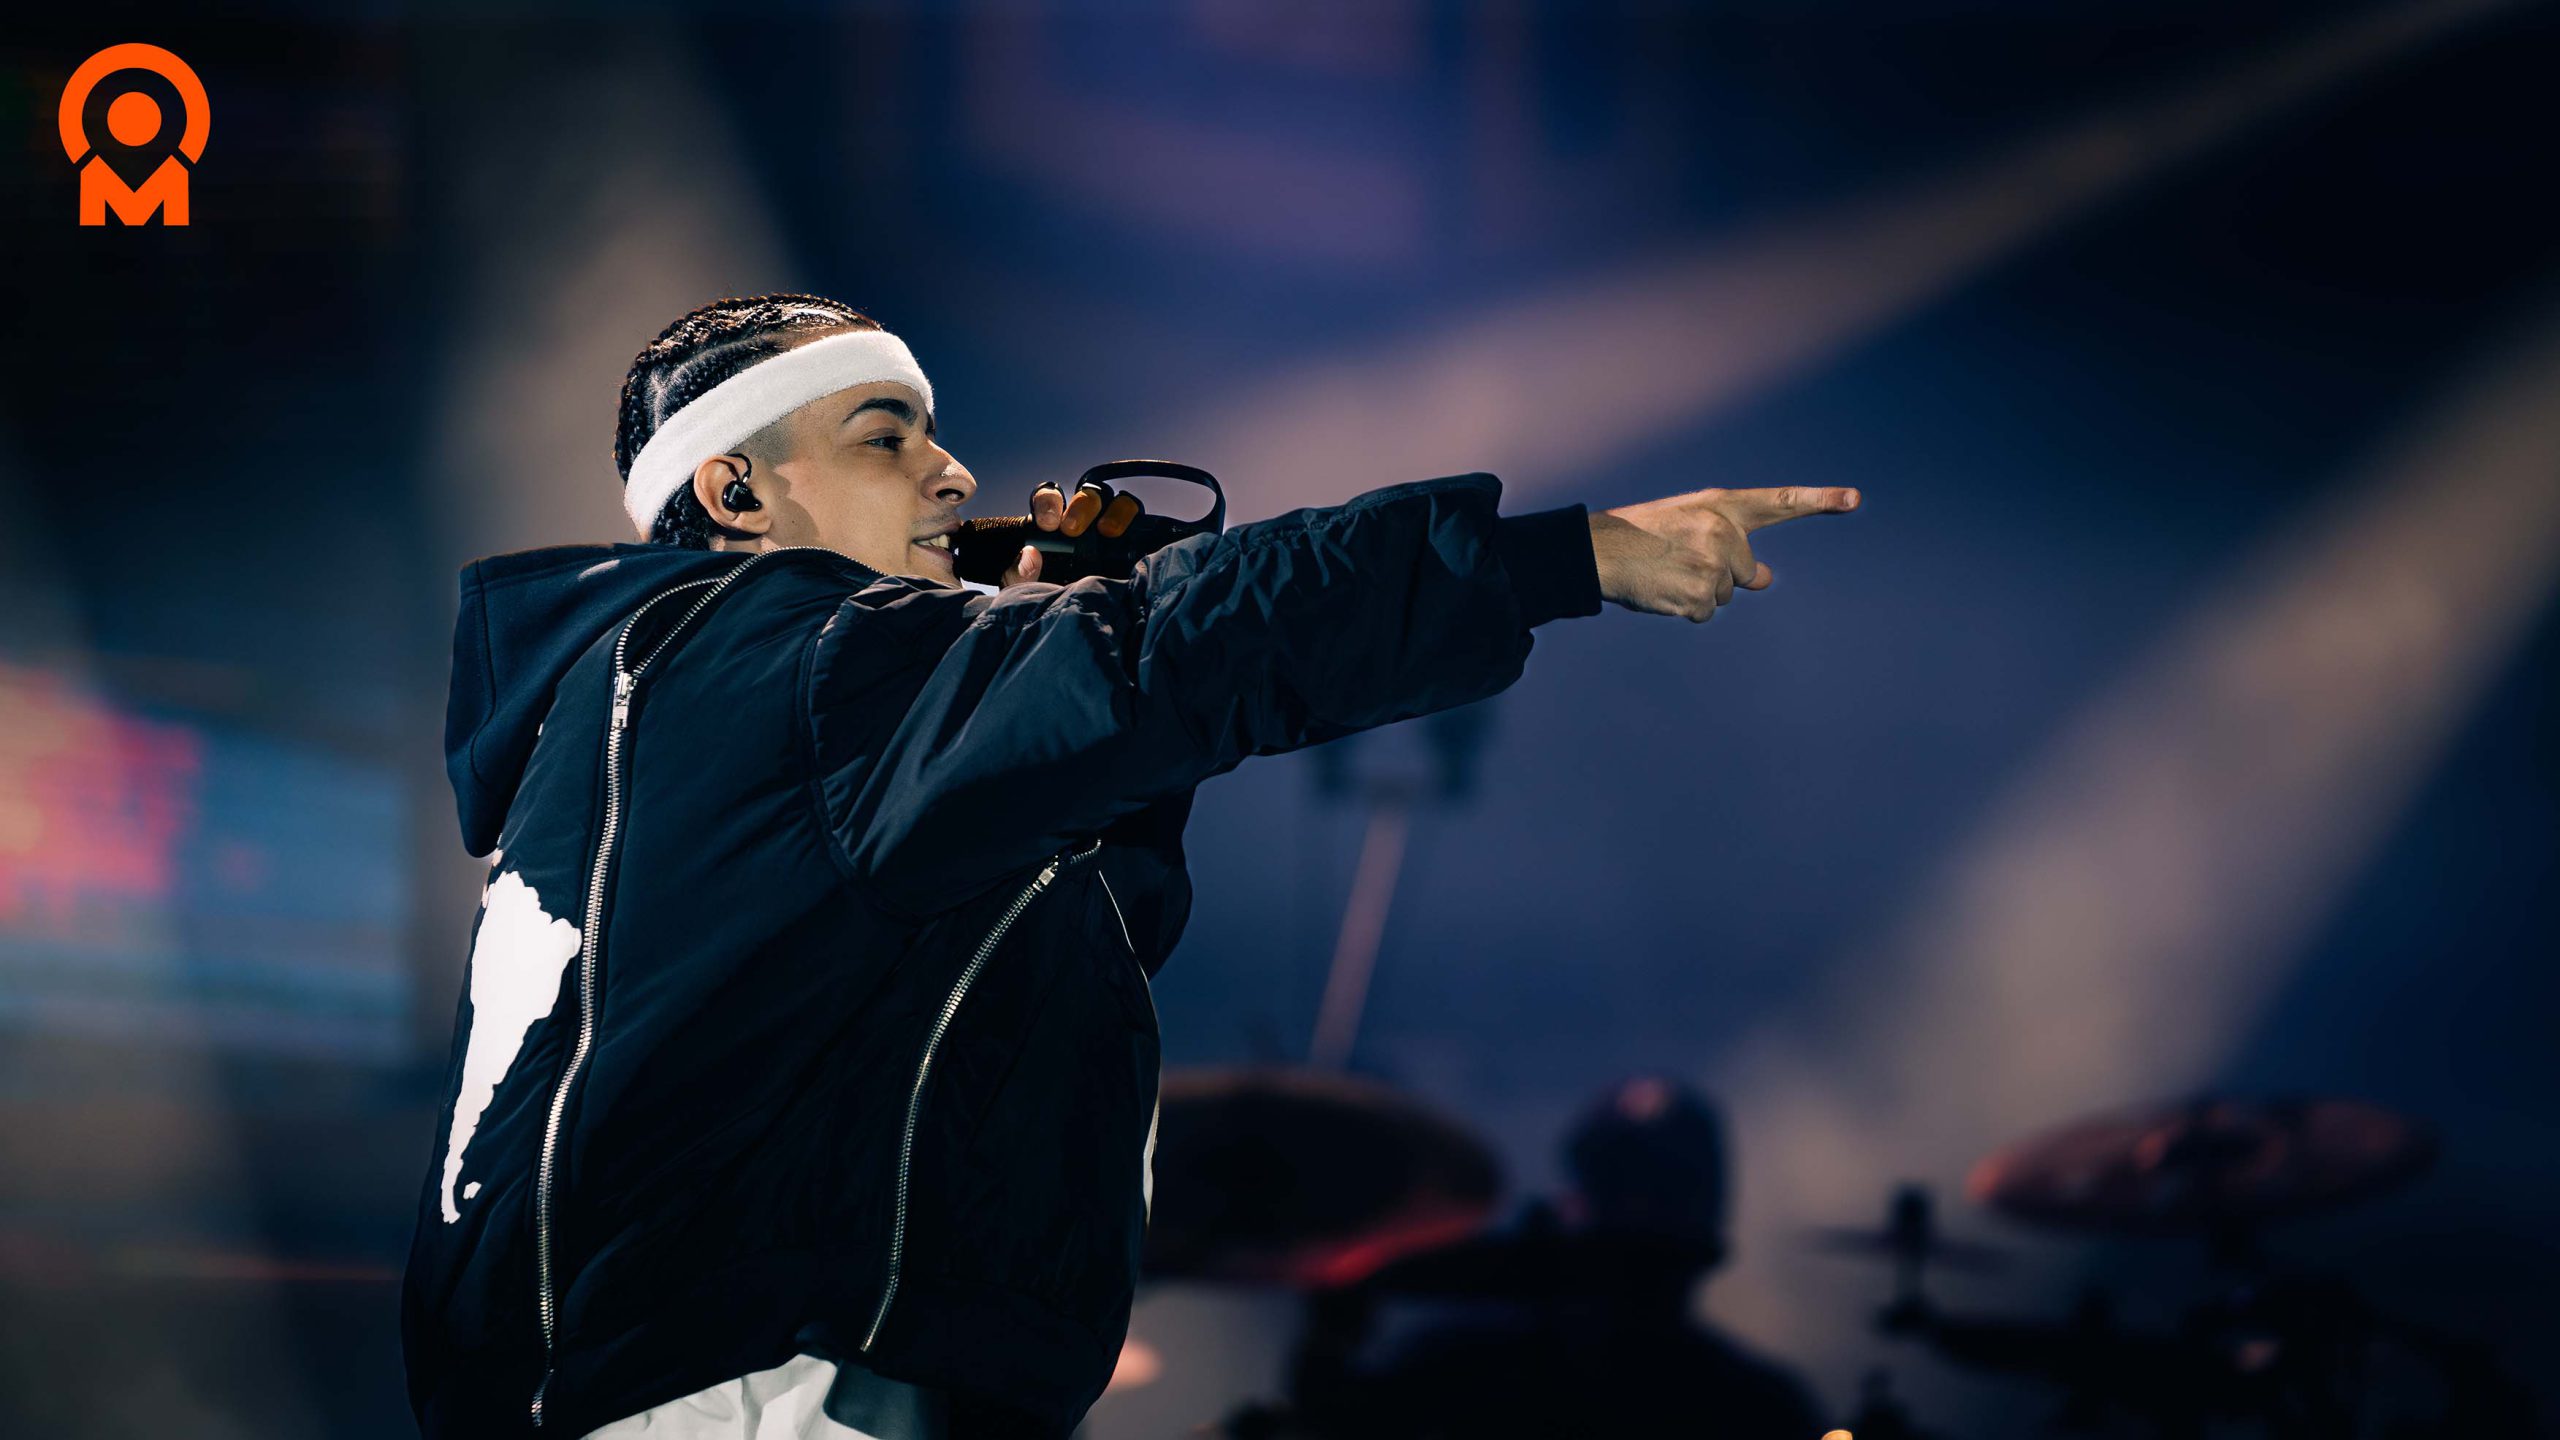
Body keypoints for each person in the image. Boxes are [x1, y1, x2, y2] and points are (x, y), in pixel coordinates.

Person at [399, 293, 1861, 1440]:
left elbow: (1034, 956)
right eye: (884, 437)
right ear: (735, 492)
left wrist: (1042, 704)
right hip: (740, 1394)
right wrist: (1562, 558)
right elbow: (1180, 645)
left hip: (683, 1373)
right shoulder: (798, 667)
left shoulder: (679, 702)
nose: (953, 475)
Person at [1279, 1077, 1828, 1439]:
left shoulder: (1757, 1407)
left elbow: (1337, 1415)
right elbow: (1338, 1419)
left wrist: (1331, 1336)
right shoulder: (1759, 1404)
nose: (1632, 1213)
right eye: (1612, 1186)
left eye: (1657, 1192)